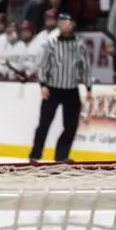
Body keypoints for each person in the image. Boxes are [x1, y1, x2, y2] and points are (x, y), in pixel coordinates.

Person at [29, 13, 91, 163]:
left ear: (73, 24)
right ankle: (35, 155)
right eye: (61, 22)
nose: (64, 25)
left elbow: (85, 66)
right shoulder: (51, 42)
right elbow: (43, 65)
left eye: (67, 22)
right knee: (44, 124)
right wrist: (43, 85)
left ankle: (61, 155)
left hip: (71, 89)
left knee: (71, 125)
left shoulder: (79, 44)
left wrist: (88, 87)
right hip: (53, 88)